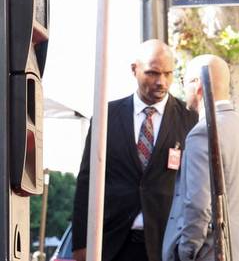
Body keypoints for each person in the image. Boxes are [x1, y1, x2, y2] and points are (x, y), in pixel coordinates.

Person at [72, 40, 198, 261]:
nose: (161, 82)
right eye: (152, 73)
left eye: (168, 73)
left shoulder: (190, 121)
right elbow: (87, 181)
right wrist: (81, 243)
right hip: (113, 245)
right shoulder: (106, 116)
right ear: (134, 70)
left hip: (166, 246)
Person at [161, 55, 239, 261]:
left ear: (198, 85)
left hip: (217, 252)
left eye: (184, 81)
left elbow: (198, 206)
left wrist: (186, 252)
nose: (182, 88)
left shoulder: (202, 133)